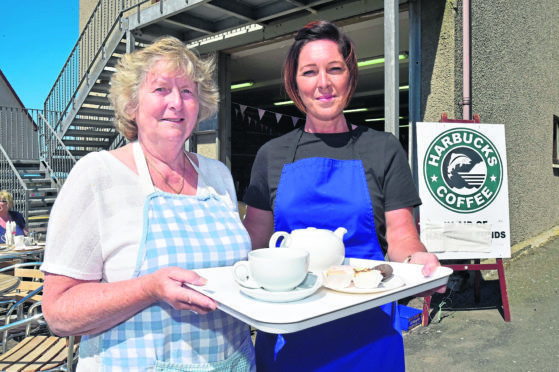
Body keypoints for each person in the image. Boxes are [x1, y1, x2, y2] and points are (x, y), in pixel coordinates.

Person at [41, 36, 255, 371]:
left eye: (187, 91)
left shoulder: (217, 174)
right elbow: (58, 312)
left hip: (233, 361)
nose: (176, 103)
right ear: (131, 105)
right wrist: (148, 289)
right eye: (161, 90)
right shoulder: (98, 174)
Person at [242, 20, 445, 371]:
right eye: (309, 72)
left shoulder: (383, 148)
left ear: (349, 76)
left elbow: (401, 236)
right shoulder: (271, 155)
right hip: (289, 336)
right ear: (294, 83)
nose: (323, 83)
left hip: (367, 334)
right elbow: (253, 245)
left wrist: (418, 262)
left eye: (334, 69)